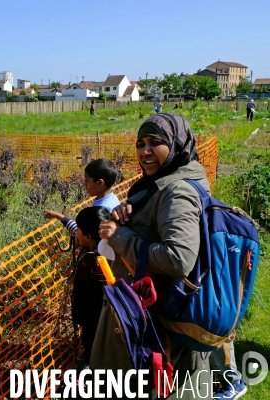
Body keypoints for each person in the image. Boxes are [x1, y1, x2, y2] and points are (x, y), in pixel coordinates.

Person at [94, 113, 213, 399]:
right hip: (149, 314)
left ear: (176, 144)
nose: (145, 151)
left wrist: (120, 236)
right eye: (140, 143)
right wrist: (131, 210)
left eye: (155, 143)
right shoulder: (170, 179)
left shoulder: (177, 189)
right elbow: (159, 224)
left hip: (152, 326)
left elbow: (178, 257)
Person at [44, 158, 120, 259]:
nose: (84, 185)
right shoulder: (110, 199)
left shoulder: (103, 209)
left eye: (87, 181)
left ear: (99, 183)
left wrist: (76, 240)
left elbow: (85, 234)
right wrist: (59, 216)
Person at [69, 206, 110, 363]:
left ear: (87, 236)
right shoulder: (105, 249)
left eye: (78, 230)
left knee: (93, 347)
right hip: (95, 317)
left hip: (92, 318)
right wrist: (62, 218)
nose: (75, 233)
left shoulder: (94, 261)